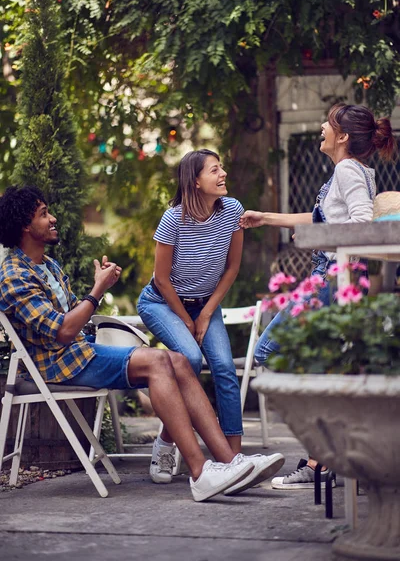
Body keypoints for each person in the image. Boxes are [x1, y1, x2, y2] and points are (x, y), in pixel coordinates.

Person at [0, 185, 284, 502]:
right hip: (58, 364)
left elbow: (70, 321)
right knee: (160, 362)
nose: (52, 219)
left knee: (176, 360)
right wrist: (98, 291)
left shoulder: (48, 266)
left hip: (81, 353)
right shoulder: (13, 275)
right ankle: (201, 472)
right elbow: (63, 331)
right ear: (25, 226)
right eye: (43, 215)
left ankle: (231, 463)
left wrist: (97, 286)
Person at [240, 103, 397, 489]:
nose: (321, 129)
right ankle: (323, 459)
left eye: (327, 124)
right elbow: (325, 219)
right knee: (324, 364)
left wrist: (321, 239)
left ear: (342, 137)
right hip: (329, 274)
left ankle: (324, 455)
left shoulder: (347, 170)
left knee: (270, 351)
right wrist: (267, 218)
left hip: (332, 275)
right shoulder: (349, 171)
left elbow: (361, 223)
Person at [137, 149, 284, 490]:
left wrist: (204, 313)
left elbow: (231, 268)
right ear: (195, 181)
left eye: (221, 168)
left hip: (206, 304)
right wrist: (186, 320)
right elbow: (161, 279)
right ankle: (165, 443)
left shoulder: (232, 210)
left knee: (222, 368)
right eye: (214, 170)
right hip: (163, 302)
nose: (223, 174)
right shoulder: (172, 219)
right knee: (187, 358)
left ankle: (234, 463)